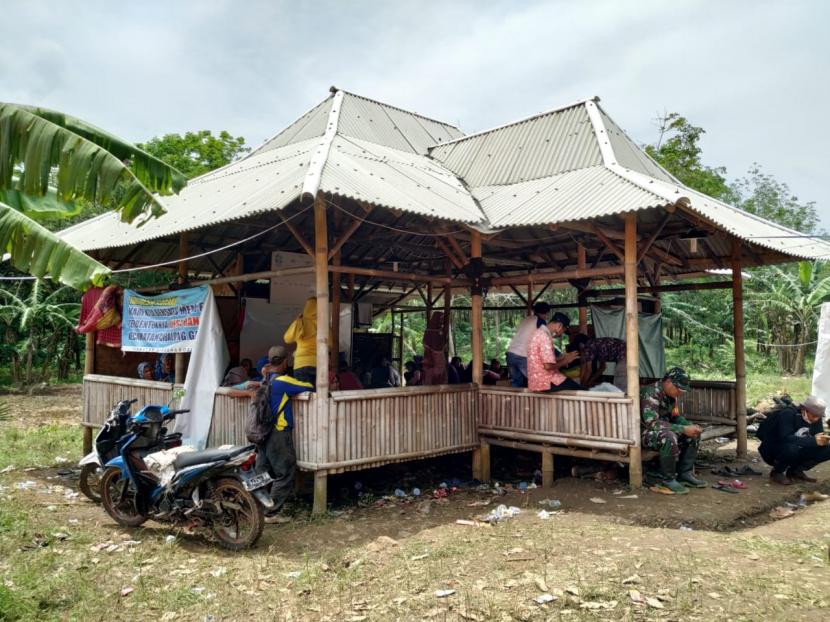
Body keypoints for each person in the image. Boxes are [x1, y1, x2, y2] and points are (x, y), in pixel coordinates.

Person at [227, 350, 313, 523]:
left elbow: (230, 390)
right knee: (285, 471)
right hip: (279, 433)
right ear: (285, 362)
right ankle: (270, 513)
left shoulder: (263, 381)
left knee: (262, 472)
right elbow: (310, 387)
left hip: (263, 433)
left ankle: (248, 505)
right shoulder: (283, 381)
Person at [640, 367, 705, 494]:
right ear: (668, 382)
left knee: (693, 434)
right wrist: (683, 429)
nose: (681, 392)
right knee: (668, 437)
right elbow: (652, 423)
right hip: (642, 433)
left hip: (660, 430)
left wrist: (689, 426)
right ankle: (668, 480)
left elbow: (675, 417)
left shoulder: (670, 396)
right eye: (679, 389)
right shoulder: (651, 392)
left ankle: (684, 474)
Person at [758, 395, 829, 485]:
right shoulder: (788, 414)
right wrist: (813, 441)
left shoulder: (816, 419)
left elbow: (817, 436)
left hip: (797, 449)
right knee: (792, 447)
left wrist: (823, 440)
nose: (816, 419)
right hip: (773, 450)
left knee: (827, 448)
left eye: (818, 417)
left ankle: (795, 471)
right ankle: (777, 472)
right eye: (814, 416)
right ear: (804, 409)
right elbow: (786, 438)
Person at [527, 312, 583, 392]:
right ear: (559, 326)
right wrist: (565, 361)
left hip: (536, 381)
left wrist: (562, 357)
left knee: (573, 384)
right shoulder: (544, 337)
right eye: (563, 331)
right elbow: (548, 366)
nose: (562, 334)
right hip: (547, 382)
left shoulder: (537, 333)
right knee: (582, 390)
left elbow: (542, 361)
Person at [506, 302, 551, 387]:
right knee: (538, 381)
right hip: (522, 356)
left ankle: (516, 400)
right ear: (546, 313)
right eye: (547, 314)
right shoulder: (540, 321)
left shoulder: (526, 319)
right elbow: (543, 340)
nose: (547, 316)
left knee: (516, 383)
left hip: (510, 354)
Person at [284, 297, 319, 386]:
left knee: (304, 395)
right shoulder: (323, 323)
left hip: (301, 363)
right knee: (317, 395)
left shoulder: (301, 321)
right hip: (318, 364)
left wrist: (297, 321)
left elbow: (287, 339)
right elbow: (330, 344)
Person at [422, 311, 448, 385]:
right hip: (435, 362)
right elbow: (437, 349)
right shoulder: (436, 332)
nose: (442, 322)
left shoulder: (428, 331)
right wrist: (444, 342)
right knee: (437, 381)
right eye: (441, 319)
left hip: (429, 362)